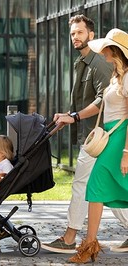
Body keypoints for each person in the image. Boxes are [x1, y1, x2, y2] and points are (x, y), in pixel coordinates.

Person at [42, 15, 128, 254]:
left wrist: (75, 116)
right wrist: (70, 115)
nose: (75, 37)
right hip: (97, 136)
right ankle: (86, 241)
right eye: (72, 33)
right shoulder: (84, 62)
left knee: (86, 184)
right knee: (104, 185)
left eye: (79, 32)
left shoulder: (99, 63)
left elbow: (102, 101)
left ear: (91, 35)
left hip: (103, 137)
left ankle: (72, 237)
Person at [66, 28, 128, 263]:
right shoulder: (116, 76)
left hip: (121, 138)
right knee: (101, 189)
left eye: (106, 47)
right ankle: (89, 245)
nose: (102, 51)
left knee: (96, 186)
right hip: (111, 136)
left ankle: (89, 245)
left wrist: (125, 153)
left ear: (115, 50)